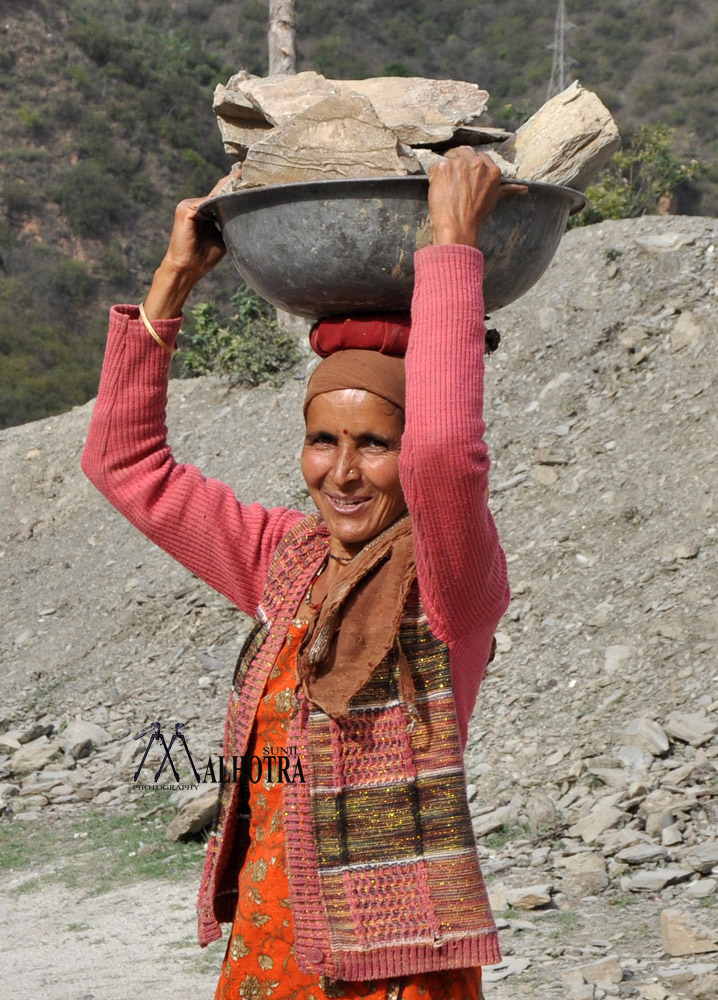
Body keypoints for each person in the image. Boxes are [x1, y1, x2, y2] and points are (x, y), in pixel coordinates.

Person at [82, 149, 522, 1000]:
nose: (343, 473)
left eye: (374, 445)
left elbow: (446, 457)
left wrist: (452, 243)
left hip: (397, 961)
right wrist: (174, 278)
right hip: (272, 946)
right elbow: (123, 463)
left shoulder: (451, 582)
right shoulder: (285, 560)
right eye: (325, 441)